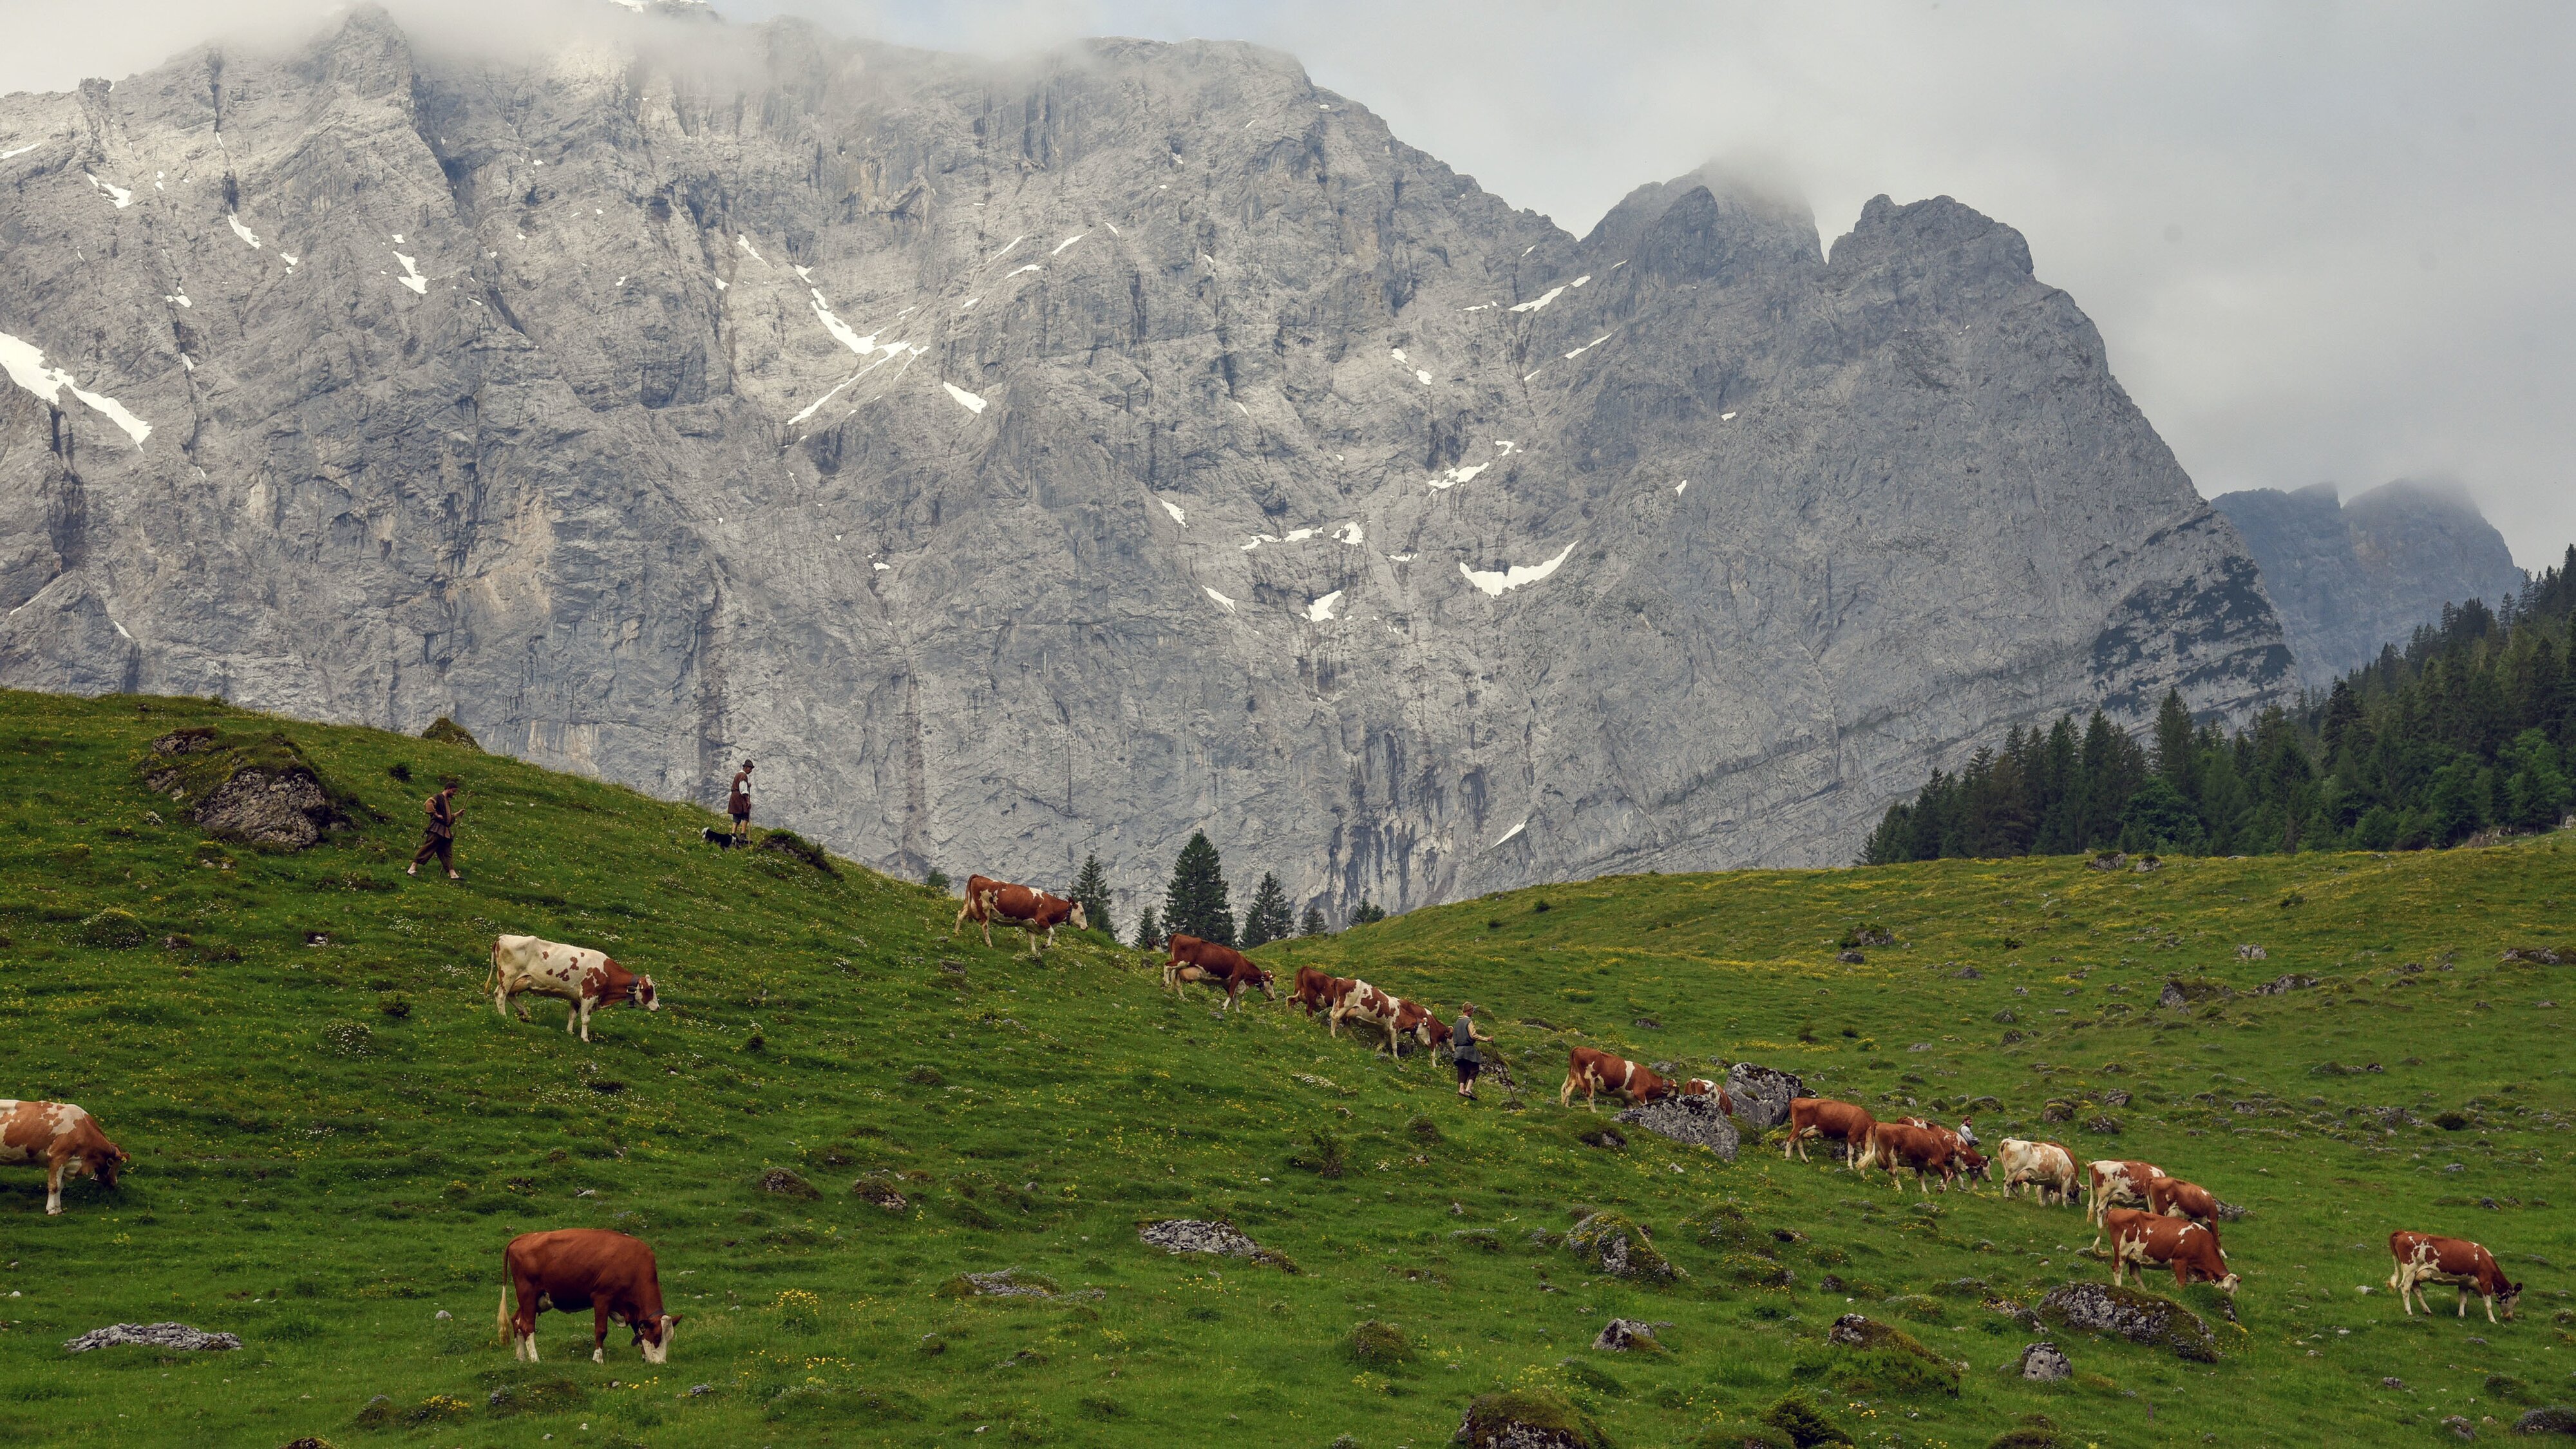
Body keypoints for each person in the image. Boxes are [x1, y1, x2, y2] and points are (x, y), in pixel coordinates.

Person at [407, 782, 461, 879]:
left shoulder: (447, 802)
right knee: (429, 847)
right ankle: (412, 868)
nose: (454, 794)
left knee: (446, 852)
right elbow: (428, 803)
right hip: (437, 829)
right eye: (453, 791)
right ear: (448, 789)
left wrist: (457, 814)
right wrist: (436, 815)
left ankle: (453, 874)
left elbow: (447, 818)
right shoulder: (438, 797)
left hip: (445, 832)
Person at [1452, 1001, 1492, 1100]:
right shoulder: (1468, 1022)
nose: (1473, 1012)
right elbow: (1473, 1035)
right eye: (1472, 1010)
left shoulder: (1457, 1022)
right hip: (1468, 1049)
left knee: (1462, 1069)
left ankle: (1461, 1089)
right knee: (1474, 1069)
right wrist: (1487, 1039)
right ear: (1468, 1011)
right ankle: (1468, 1089)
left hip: (1459, 1050)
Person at [727, 759, 755, 845]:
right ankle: (743, 835)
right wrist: (748, 801)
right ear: (746, 768)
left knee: (736, 817)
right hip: (740, 797)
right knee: (745, 815)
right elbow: (743, 789)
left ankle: (733, 835)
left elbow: (741, 785)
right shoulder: (743, 776)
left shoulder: (738, 775)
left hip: (734, 797)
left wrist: (747, 784)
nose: (750, 771)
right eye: (750, 769)